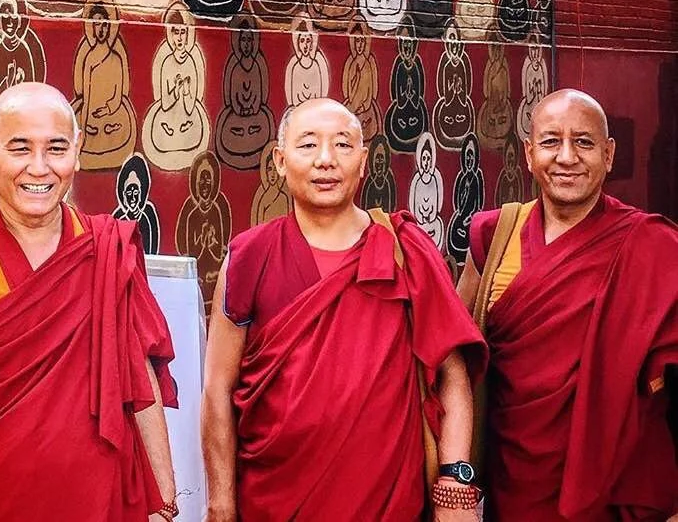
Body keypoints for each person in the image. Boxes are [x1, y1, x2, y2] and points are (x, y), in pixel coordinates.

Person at [202, 97, 488, 521]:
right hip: (275, 499)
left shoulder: (404, 249)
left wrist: (454, 481)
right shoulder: (250, 257)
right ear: (280, 161)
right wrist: (221, 503)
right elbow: (217, 390)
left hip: (386, 504)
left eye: (342, 144)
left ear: (364, 161)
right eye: (307, 145)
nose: (325, 160)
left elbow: (452, 373)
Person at [0, 82, 179, 522]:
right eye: (20, 148)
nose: (39, 168)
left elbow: (140, 381)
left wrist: (164, 504)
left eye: (56, 148)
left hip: (99, 506)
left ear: (77, 151)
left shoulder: (106, 249)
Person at [459, 89, 678, 521]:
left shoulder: (652, 246)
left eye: (583, 142)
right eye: (550, 141)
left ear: (608, 154)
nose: (566, 157)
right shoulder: (494, 236)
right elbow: (455, 359)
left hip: (618, 485)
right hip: (513, 478)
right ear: (529, 154)